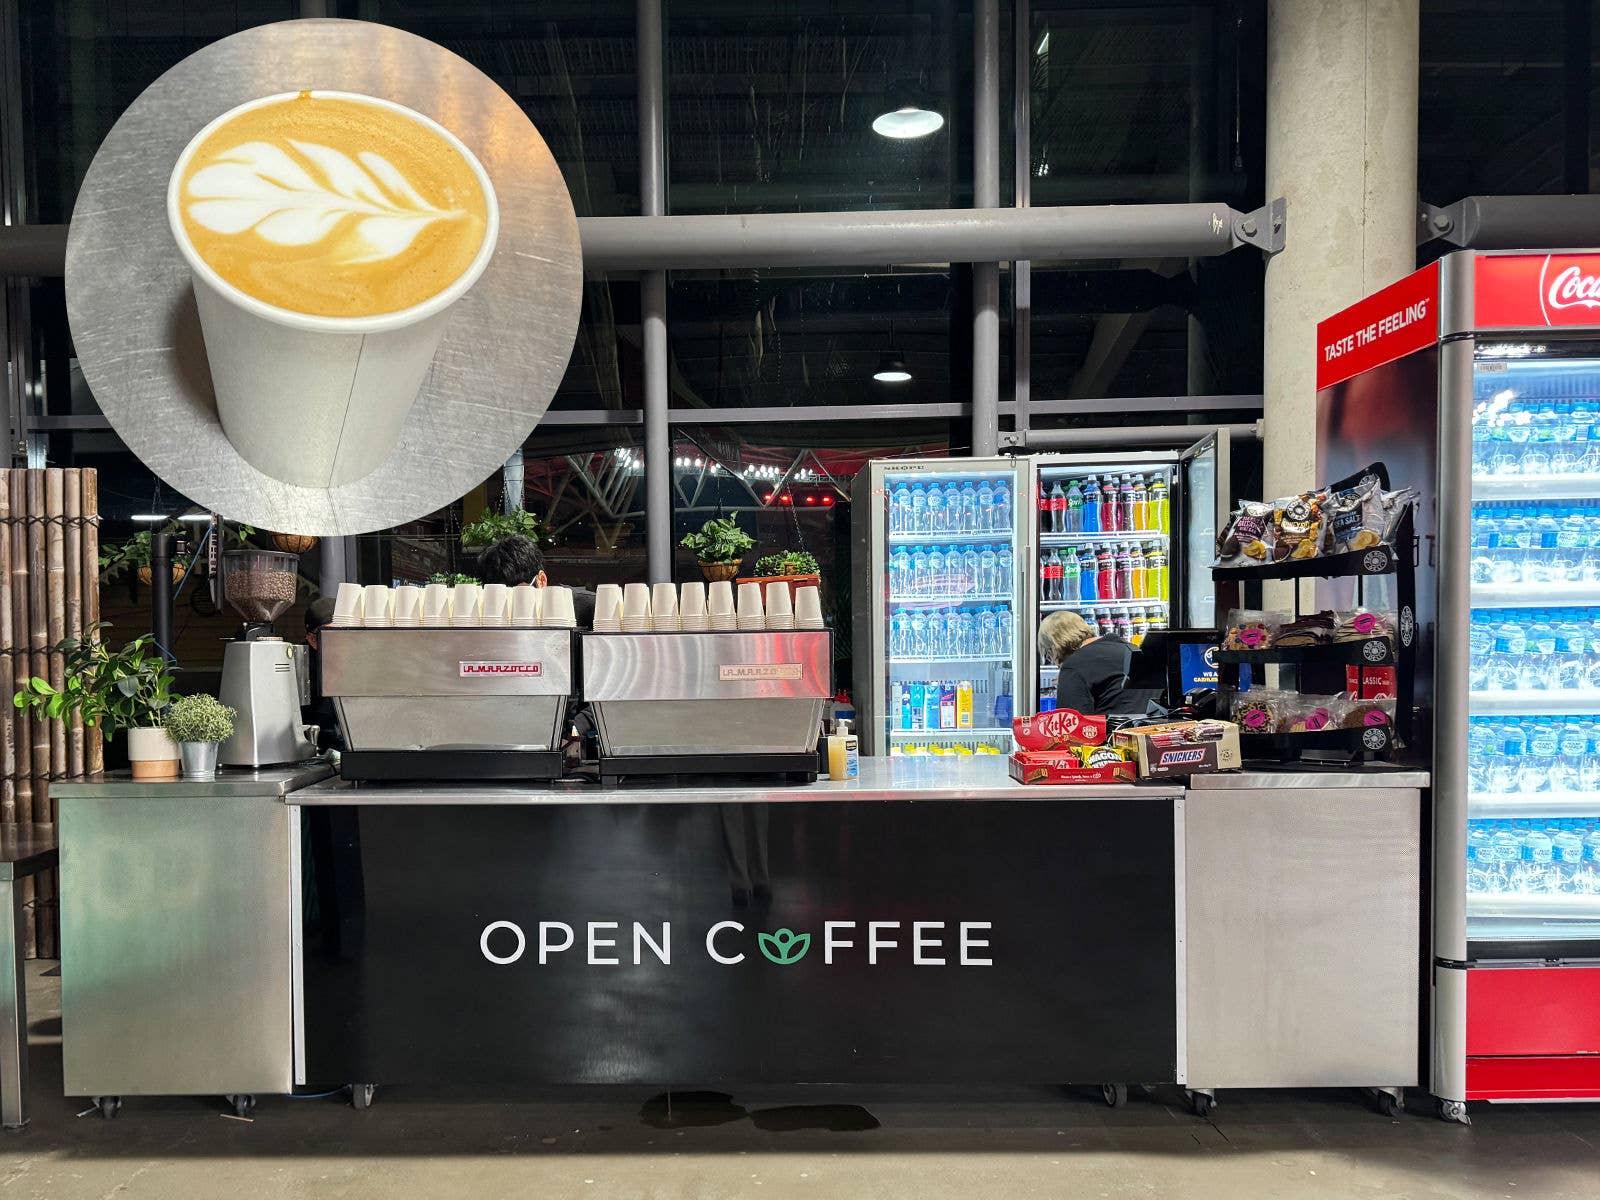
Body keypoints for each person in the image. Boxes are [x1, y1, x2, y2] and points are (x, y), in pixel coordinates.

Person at [476, 534, 597, 628]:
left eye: (520, 594)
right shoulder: (483, 613)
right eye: (502, 597)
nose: (510, 605)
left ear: (541, 580)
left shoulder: (589, 608)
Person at [1038, 610, 1131, 716]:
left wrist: (1068, 679)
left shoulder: (1074, 665)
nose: (1054, 662)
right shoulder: (1130, 648)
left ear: (1055, 646)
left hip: (1113, 730)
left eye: (1049, 655)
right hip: (1150, 729)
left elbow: (1072, 726)